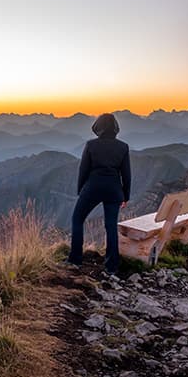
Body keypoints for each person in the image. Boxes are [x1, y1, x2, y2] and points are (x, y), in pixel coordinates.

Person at [67, 113, 131, 274]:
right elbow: (126, 174)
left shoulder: (91, 145)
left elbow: (83, 170)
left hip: (92, 188)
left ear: (98, 127)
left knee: (77, 219)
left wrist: (80, 190)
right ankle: (111, 266)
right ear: (115, 128)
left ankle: (75, 259)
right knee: (110, 227)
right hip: (114, 190)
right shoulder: (123, 147)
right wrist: (125, 196)